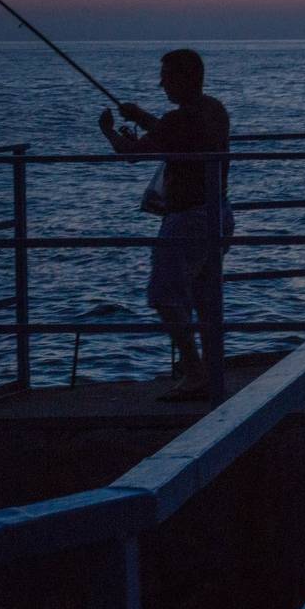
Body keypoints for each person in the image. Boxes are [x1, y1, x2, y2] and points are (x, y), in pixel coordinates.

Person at [99, 48, 233, 399]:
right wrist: (141, 116)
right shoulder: (214, 109)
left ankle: (195, 373)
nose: (162, 84)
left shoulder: (179, 120)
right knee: (205, 297)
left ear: (186, 78)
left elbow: (131, 154)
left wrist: (109, 132)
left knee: (164, 295)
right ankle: (211, 371)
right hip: (219, 212)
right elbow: (171, 133)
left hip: (187, 219)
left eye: (167, 77)